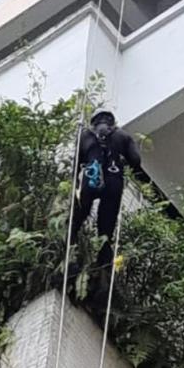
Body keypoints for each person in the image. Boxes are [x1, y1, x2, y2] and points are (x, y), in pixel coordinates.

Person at [71, 110, 142, 266]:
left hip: (91, 180)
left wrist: (75, 183)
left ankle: (71, 250)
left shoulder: (85, 136)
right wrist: (123, 160)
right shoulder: (123, 136)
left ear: (93, 121)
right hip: (113, 183)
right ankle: (103, 265)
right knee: (106, 229)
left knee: (76, 219)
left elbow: (75, 164)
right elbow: (136, 161)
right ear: (112, 121)